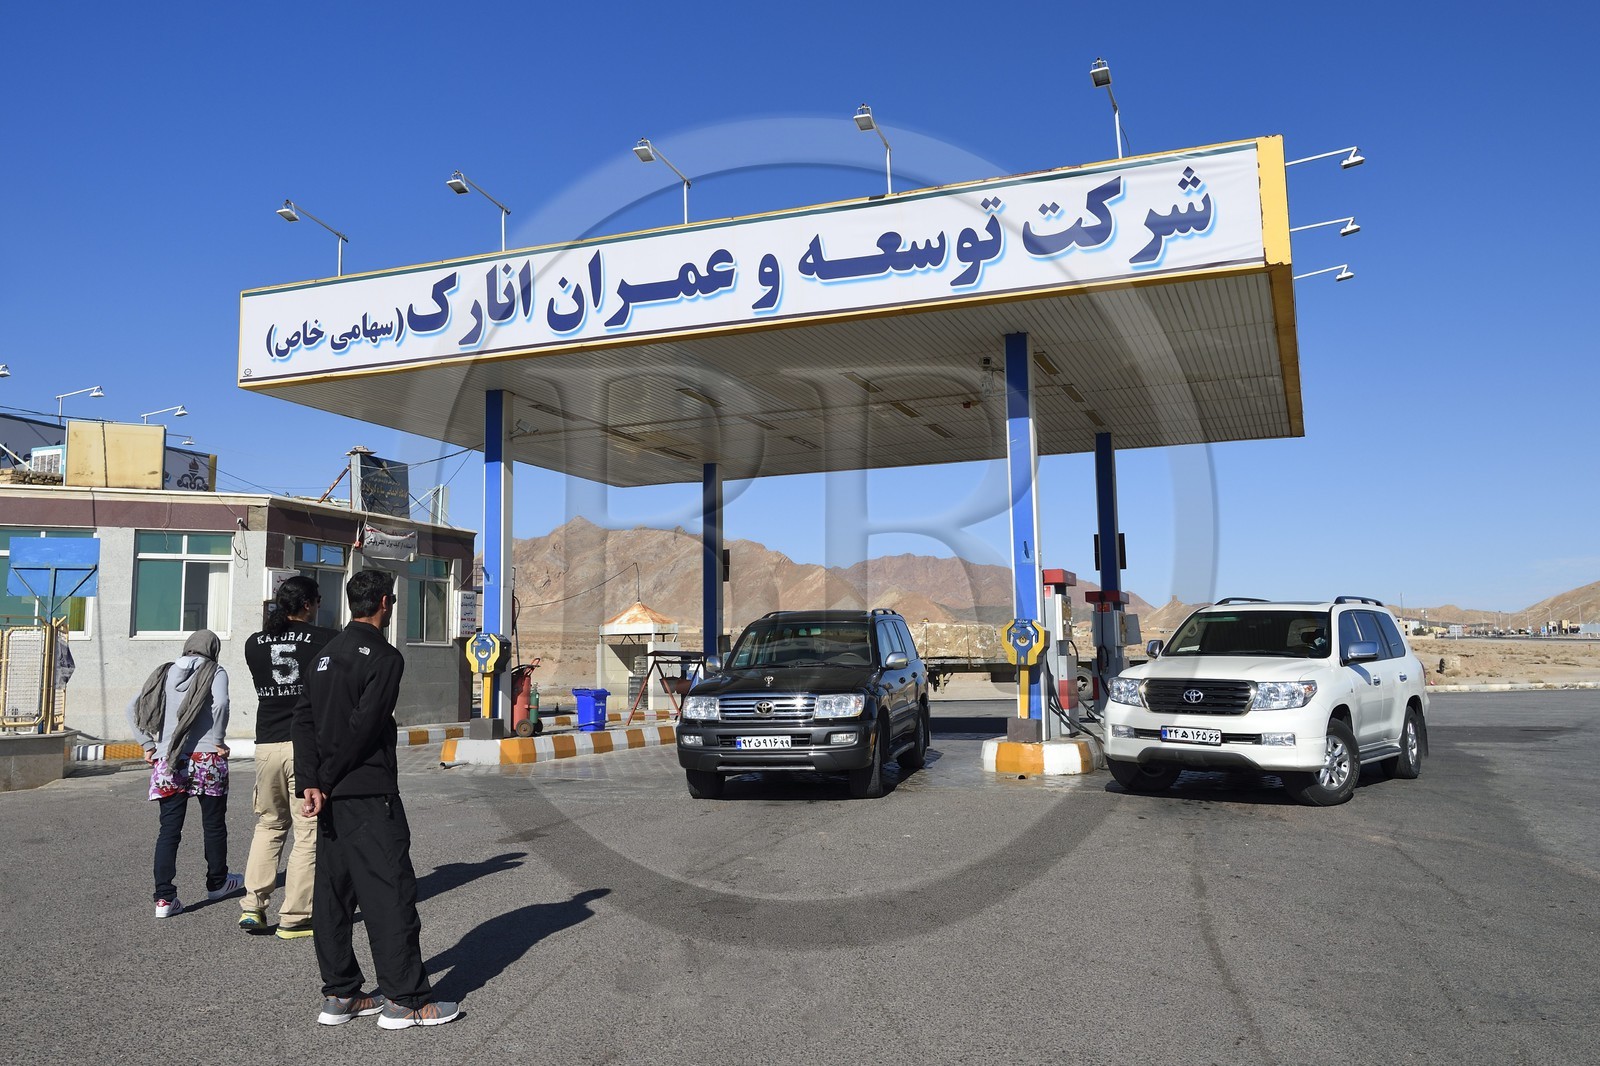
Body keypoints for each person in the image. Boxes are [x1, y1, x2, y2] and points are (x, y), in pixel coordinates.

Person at [293, 569, 459, 1030]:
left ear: (351, 603)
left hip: (327, 798)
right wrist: (322, 780)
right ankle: (406, 1001)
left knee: (333, 896)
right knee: (389, 892)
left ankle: (340, 993)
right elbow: (364, 728)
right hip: (366, 792)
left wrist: (309, 781)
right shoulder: (384, 657)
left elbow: (302, 722)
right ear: (386, 603)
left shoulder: (323, 656)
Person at [239, 575, 338, 938]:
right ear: (310, 604)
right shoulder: (325, 640)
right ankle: (296, 915)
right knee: (308, 831)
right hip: (305, 745)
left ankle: (253, 906)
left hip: (266, 746)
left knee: (269, 824)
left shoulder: (254, 643)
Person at [125, 629, 243, 918]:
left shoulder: (163, 673)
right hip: (206, 759)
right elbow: (221, 703)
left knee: (169, 831)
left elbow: (132, 708)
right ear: (213, 649)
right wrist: (217, 740)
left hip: (169, 759)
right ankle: (217, 882)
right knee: (213, 824)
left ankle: (164, 899)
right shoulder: (215, 671)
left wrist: (148, 744)